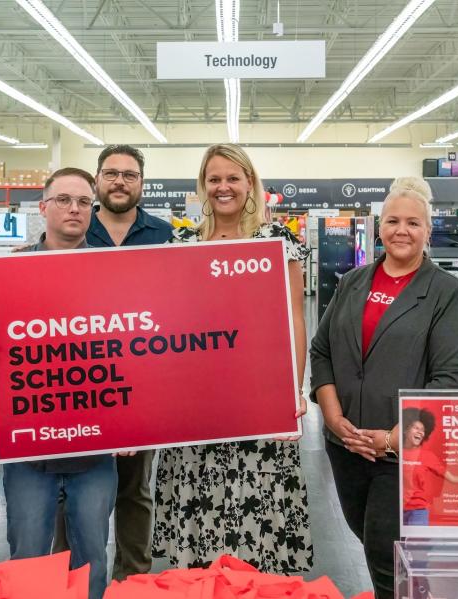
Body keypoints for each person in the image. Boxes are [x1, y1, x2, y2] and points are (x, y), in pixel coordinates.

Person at [309, 177, 458, 599]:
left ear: (428, 230)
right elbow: (322, 351)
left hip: (405, 455)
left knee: (389, 555)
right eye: (393, 221)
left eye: (413, 223)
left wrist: (391, 438)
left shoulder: (447, 294)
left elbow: (452, 382)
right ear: (379, 226)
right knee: (370, 541)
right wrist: (333, 418)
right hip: (346, 446)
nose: (402, 230)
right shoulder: (353, 282)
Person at [152, 143, 313, 574]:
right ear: (203, 186)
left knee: (256, 523)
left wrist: (291, 394)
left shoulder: (277, 242)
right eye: (214, 179)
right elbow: (167, 325)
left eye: (232, 178)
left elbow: (294, 320)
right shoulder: (180, 243)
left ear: (249, 183)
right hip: (197, 414)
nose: (223, 187)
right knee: (199, 529)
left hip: (257, 412)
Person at [0, 167, 116, 599]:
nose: (75, 209)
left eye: (84, 202)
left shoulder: (113, 272)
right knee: (29, 556)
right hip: (30, 448)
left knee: (92, 557)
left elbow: (133, 349)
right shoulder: (10, 271)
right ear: (44, 208)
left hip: (94, 446)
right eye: (64, 200)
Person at [80, 144, 172, 581]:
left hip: (143, 385)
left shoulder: (164, 235)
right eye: (111, 173)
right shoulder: (76, 230)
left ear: (141, 183)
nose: (120, 181)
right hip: (81, 383)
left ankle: (133, 579)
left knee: (136, 489)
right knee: (79, 489)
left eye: (129, 174)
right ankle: (80, 577)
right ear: (97, 179)